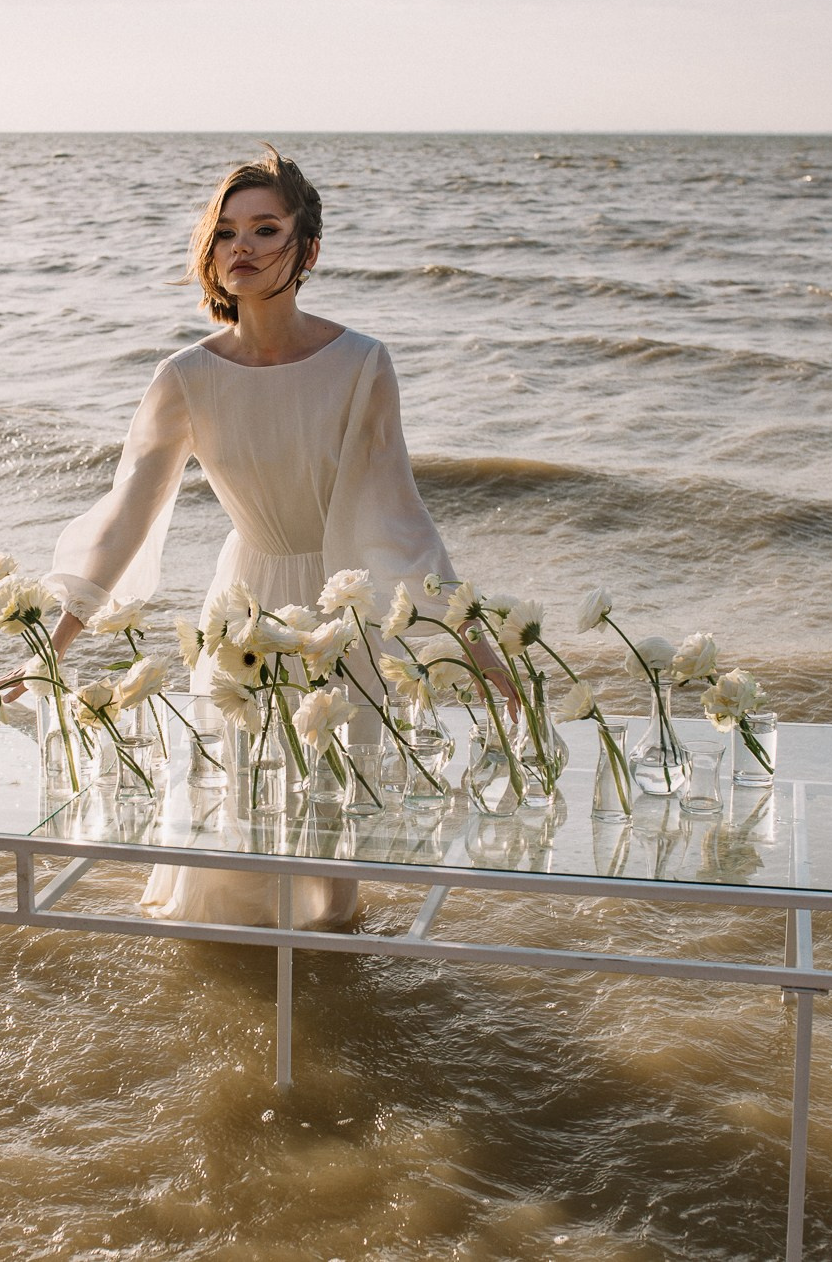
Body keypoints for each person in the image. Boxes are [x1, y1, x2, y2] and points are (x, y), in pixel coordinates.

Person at [39, 148, 499, 929]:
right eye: (226, 232)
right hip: (243, 611)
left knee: (331, 815)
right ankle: (222, 967)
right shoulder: (186, 375)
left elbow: (398, 514)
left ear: (307, 249)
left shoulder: (362, 364)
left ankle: (322, 966)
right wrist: (53, 644)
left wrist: (470, 638)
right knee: (238, 806)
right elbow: (129, 515)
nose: (241, 247)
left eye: (264, 229)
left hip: (339, 610)